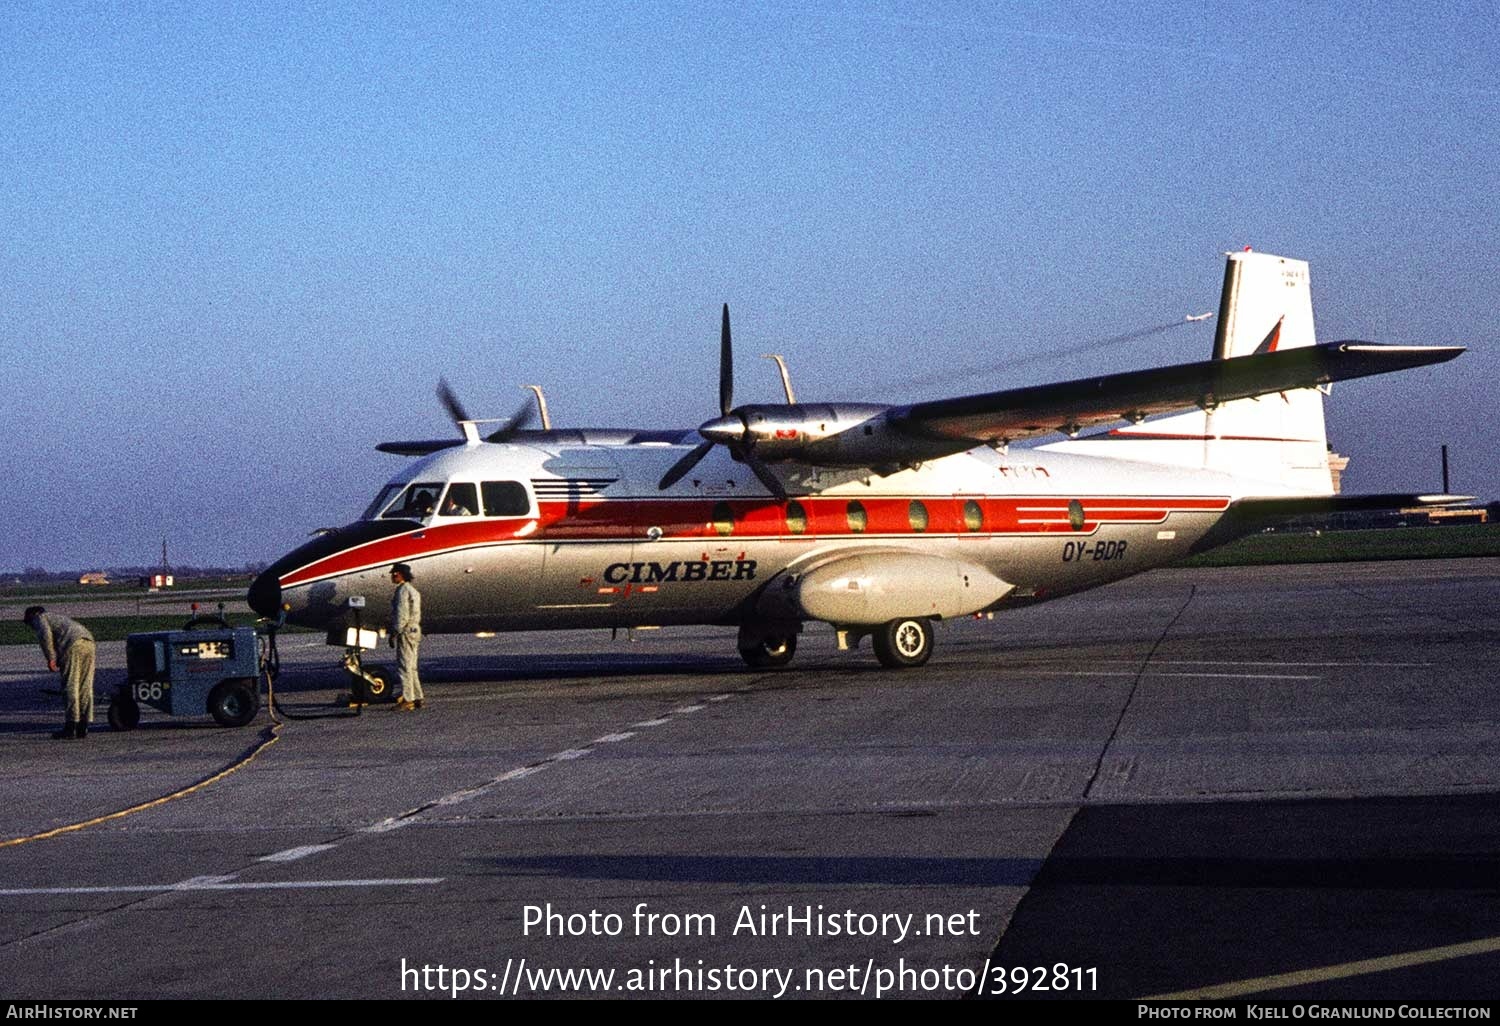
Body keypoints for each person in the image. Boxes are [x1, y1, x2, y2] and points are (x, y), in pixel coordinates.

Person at [23, 606, 96, 740]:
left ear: (32, 616)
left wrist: (50, 658)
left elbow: (45, 636)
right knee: (85, 686)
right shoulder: (58, 618)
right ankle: (84, 724)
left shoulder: (41, 618)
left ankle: (71, 725)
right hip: (88, 642)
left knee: (70, 686)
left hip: (72, 644)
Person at [388, 563, 424, 710]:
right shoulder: (413, 591)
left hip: (406, 631)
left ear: (400, 574)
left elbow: (402, 614)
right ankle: (418, 696)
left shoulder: (402, 591)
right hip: (415, 629)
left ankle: (408, 699)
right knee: (413, 666)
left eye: (394, 574)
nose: (392, 576)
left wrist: (394, 632)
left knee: (404, 667)